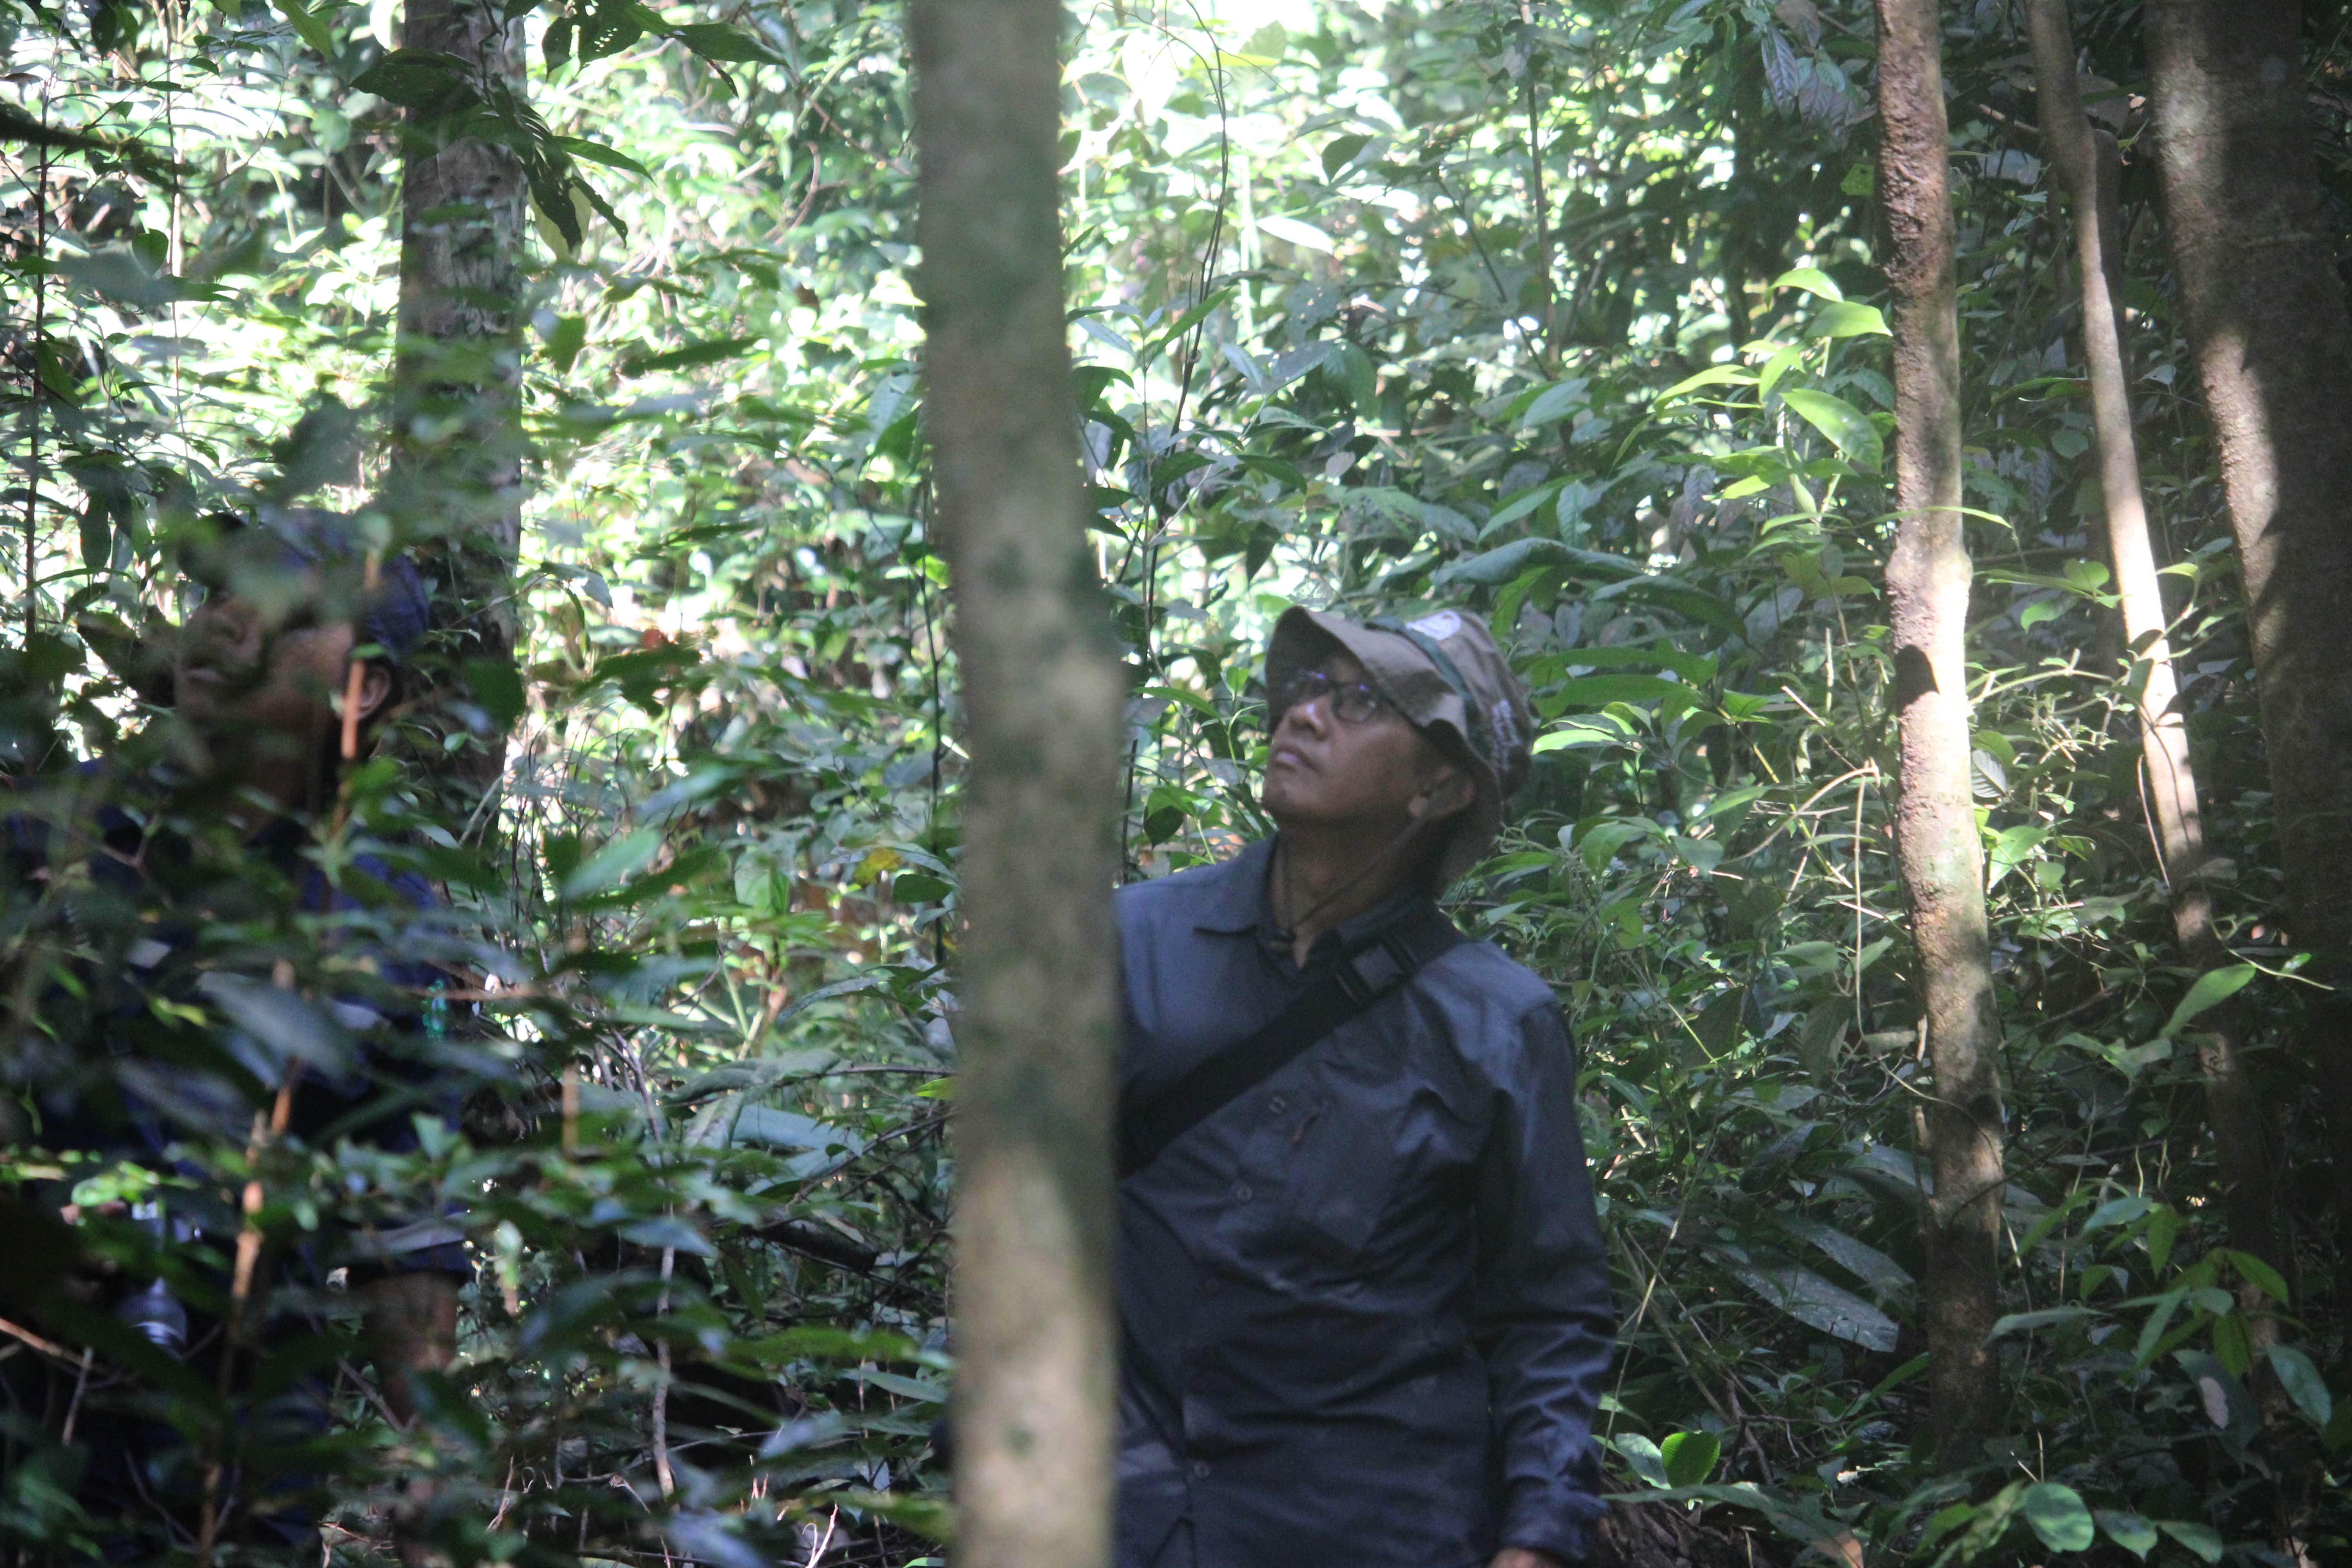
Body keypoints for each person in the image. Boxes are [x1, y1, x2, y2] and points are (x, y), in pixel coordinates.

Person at [5, 506, 470, 1554]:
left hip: (244, 1462)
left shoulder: (390, 928)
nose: (225, 621)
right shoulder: (39, 838)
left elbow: (404, 1230)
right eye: (221, 590)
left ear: (362, 688)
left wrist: (428, 1472)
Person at [1114, 605, 1615, 1568]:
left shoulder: (1495, 1025)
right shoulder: (1130, 943)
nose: (1305, 715)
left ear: (1437, 785)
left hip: (1363, 1522)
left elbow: (1548, 1308)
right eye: (1308, 688)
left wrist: (1539, 1537)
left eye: (1360, 701)